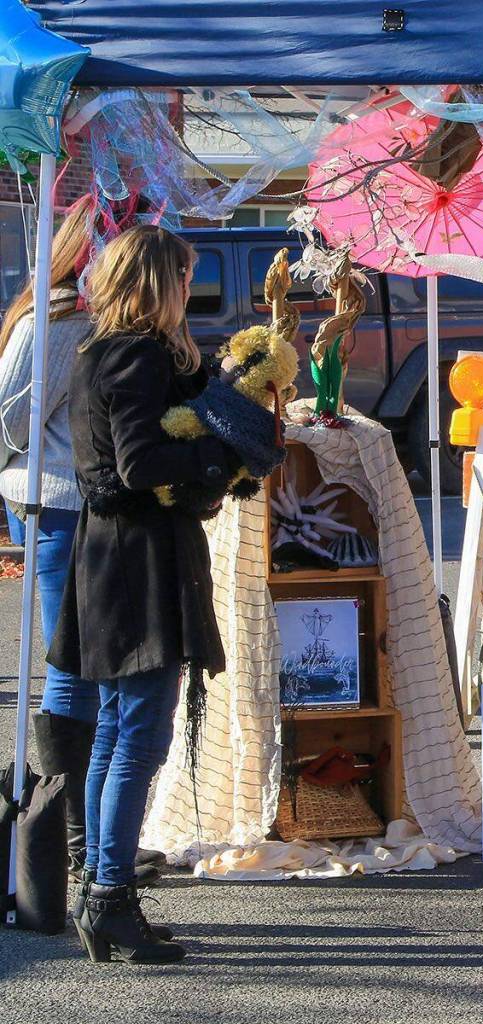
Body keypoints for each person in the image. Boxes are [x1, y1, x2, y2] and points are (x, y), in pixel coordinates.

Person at [49, 224, 239, 965]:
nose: (190, 288)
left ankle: (102, 893)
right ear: (158, 283)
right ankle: (108, 896)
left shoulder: (101, 348)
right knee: (138, 736)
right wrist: (218, 455)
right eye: (184, 277)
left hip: (111, 554)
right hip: (137, 559)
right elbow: (138, 463)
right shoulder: (136, 354)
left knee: (116, 730)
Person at [0, 194, 166, 888]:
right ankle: (73, 839)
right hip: (59, 502)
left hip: (80, 501)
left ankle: (89, 839)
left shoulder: (86, 319)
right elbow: (10, 420)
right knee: (74, 663)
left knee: (91, 663)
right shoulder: (58, 320)